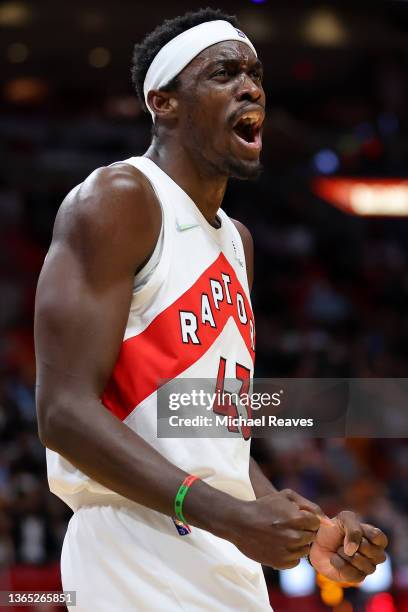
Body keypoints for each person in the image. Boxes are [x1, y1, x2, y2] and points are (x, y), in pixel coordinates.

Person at [34, 8, 387, 611]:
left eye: (255, 75)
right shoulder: (120, 199)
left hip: (222, 554)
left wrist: (305, 532)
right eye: (224, 73)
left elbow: (207, 430)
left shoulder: (236, 240)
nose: (251, 88)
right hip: (131, 548)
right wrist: (228, 515)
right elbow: (63, 411)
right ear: (163, 101)